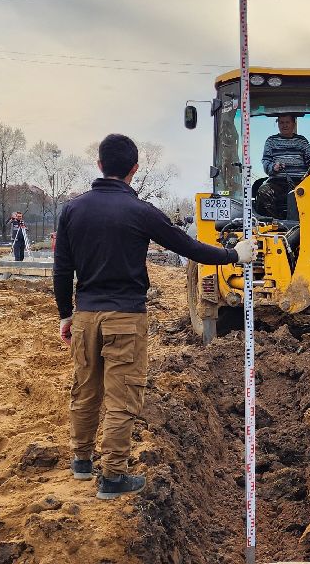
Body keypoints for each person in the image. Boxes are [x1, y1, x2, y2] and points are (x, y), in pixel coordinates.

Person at [53, 133, 254, 500]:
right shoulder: (140, 212)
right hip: (125, 319)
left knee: (85, 390)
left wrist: (66, 314)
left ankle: (81, 462)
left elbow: (62, 269)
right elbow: (188, 247)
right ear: (134, 169)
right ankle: (112, 477)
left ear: (99, 165)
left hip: (84, 317)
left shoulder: (72, 210)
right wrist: (235, 256)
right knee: (122, 397)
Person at [260, 115, 310, 247]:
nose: (284, 125)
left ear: (293, 124)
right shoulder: (271, 141)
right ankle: (278, 224)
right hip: (278, 182)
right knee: (264, 192)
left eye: (287, 122)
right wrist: (273, 167)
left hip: (300, 182)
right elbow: (266, 162)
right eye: (281, 122)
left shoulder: (302, 141)